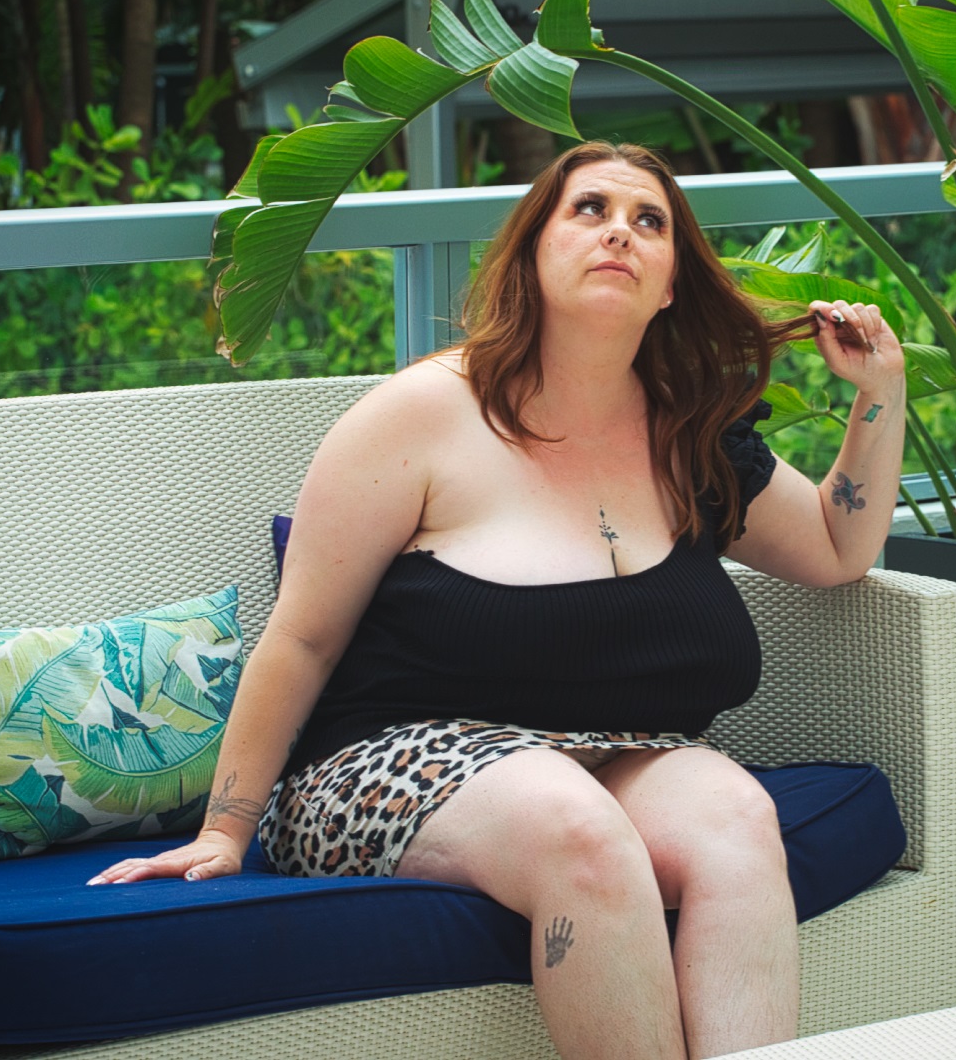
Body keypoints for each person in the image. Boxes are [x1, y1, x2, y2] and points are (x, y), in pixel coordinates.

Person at [89, 141, 906, 1059]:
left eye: (649, 221)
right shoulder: (423, 414)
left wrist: (879, 392)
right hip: (392, 759)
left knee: (737, 824)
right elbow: (303, 638)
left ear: (671, 284)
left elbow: (838, 546)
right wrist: (225, 829)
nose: (619, 233)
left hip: (624, 753)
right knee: (581, 833)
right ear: (533, 251)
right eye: (589, 210)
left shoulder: (691, 431)